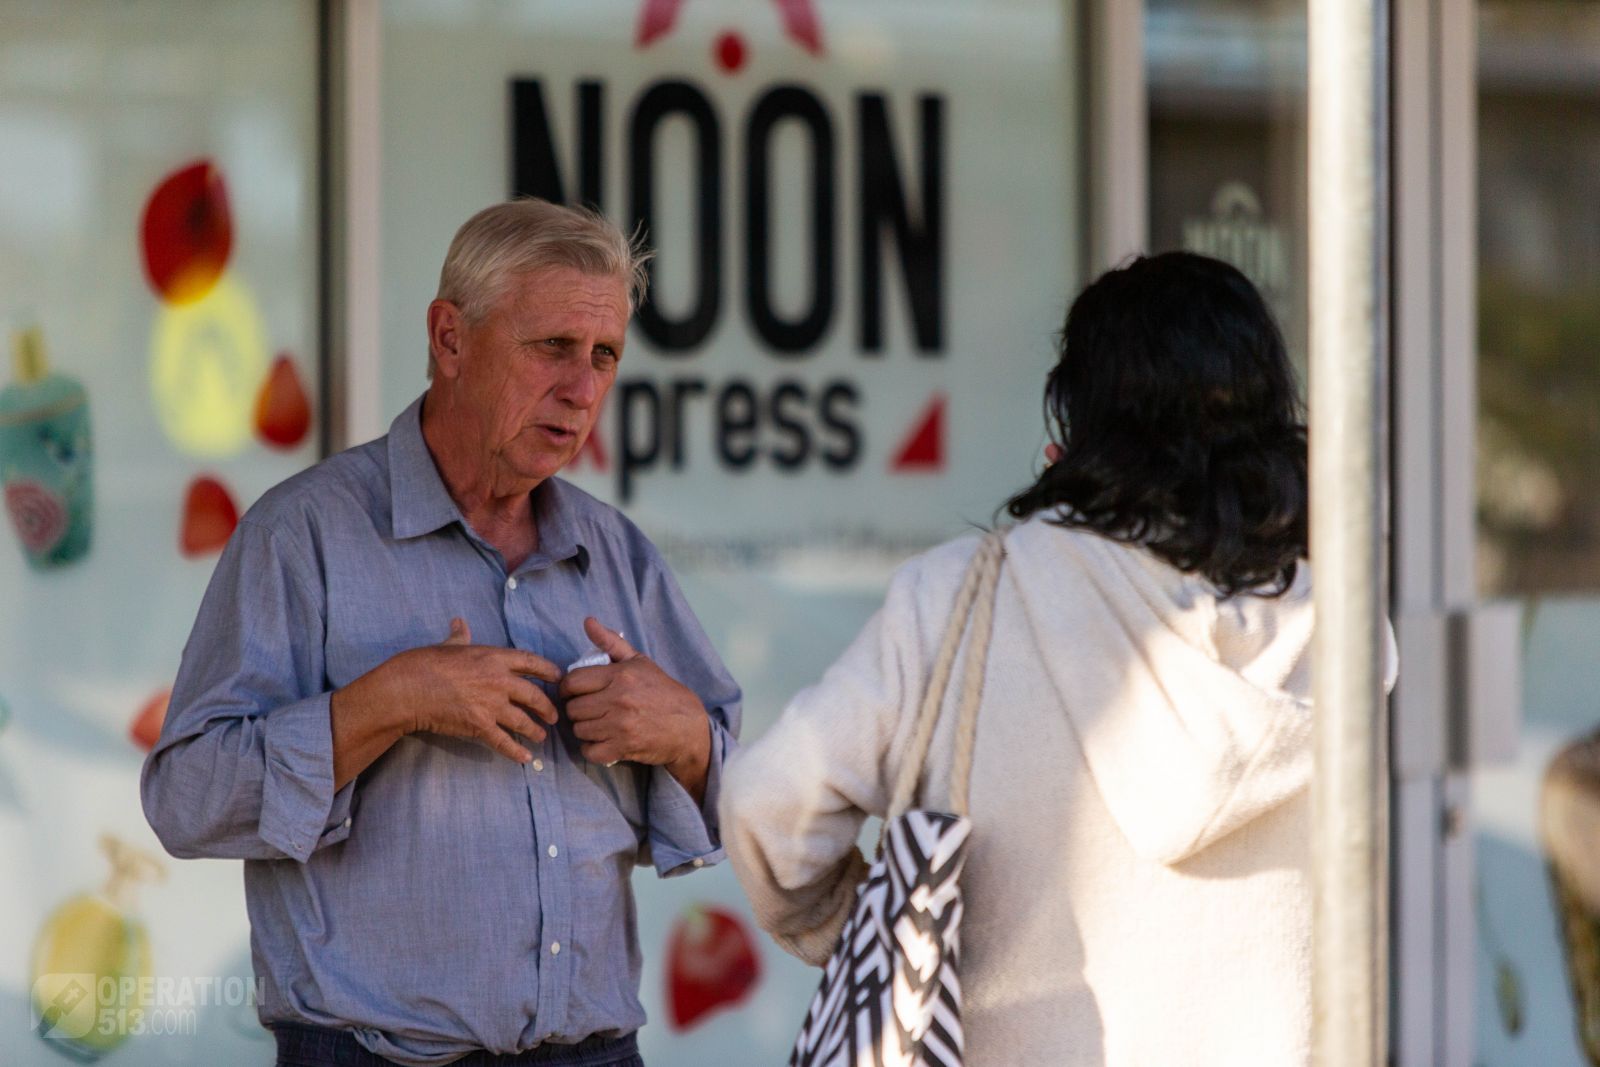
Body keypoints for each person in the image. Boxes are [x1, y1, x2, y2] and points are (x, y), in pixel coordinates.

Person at [720, 251, 1397, 1065]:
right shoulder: (1342, 627)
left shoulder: (962, 598)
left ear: (1081, 419)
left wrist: (859, 929)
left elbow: (767, 805)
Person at [141, 199, 740, 1067]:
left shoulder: (617, 554)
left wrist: (685, 738)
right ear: (450, 339)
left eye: (604, 354)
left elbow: (748, 798)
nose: (582, 389)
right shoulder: (303, 535)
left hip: (598, 1052)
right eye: (552, 347)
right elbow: (184, 799)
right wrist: (388, 702)